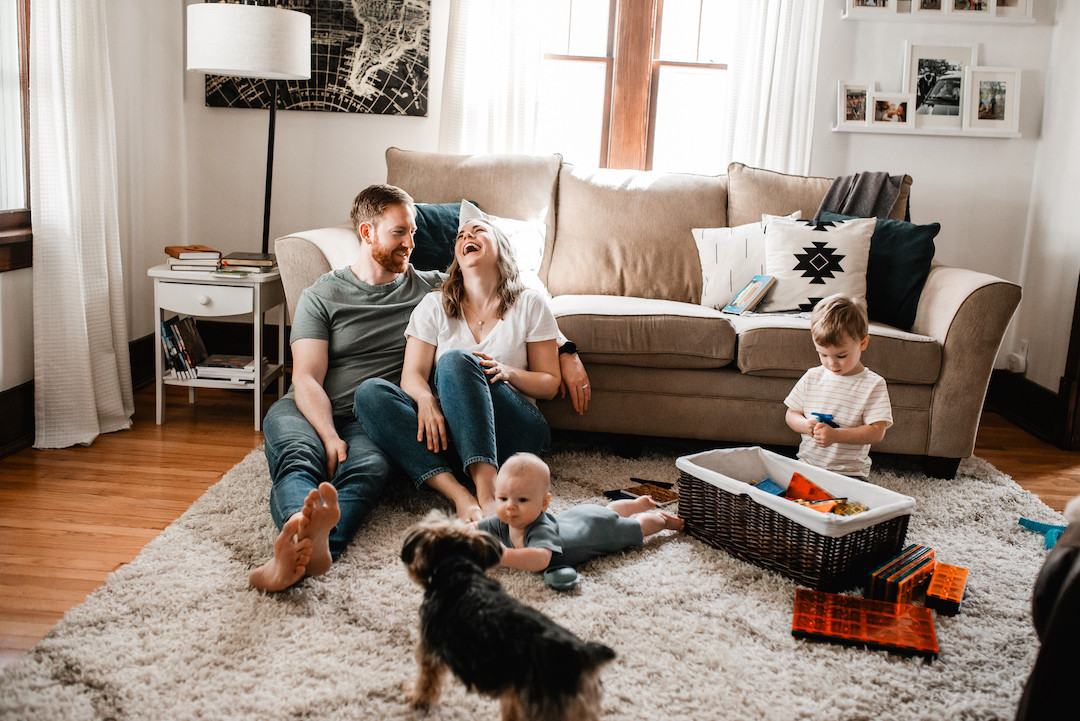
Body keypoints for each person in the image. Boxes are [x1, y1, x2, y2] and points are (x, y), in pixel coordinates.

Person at [249, 185, 590, 592]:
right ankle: (299, 536)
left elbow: (505, 291)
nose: (411, 243)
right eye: (400, 233)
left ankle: (318, 546)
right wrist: (328, 435)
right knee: (299, 458)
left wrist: (567, 350)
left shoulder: (430, 287)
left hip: (373, 418)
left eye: (413, 232)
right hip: (310, 407)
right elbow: (305, 377)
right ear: (367, 232)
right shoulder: (323, 295)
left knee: (368, 469)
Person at [354, 210, 561, 522]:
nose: (467, 237)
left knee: (455, 359)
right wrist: (426, 401)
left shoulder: (529, 303)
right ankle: (459, 495)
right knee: (369, 393)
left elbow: (550, 383)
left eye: (478, 231)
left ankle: (488, 492)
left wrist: (508, 372)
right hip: (452, 436)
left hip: (514, 433)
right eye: (461, 236)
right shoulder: (434, 304)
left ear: (501, 247)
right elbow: (412, 375)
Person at [477, 452, 684, 580]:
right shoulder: (505, 519)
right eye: (502, 498)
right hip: (581, 515)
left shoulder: (540, 529)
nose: (510, 507)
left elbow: (540, 559)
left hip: (598, 531)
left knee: (636, 527)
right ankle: (636, 504)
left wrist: (502, 555)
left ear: (544, 503)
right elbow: (474, 528)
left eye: (522, 500)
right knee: (609, 511)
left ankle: (662, 519)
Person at [783, 294, 892, 479]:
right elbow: (791, 413)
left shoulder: (873, 384)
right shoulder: (812, 377)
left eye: (841, 356)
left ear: (863, 343)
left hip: (849, 474)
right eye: (823, 355)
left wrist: (836, 436)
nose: (832, 364)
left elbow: (877, 432)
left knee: (846, 499)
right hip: (807, 468)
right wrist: (805, 425)